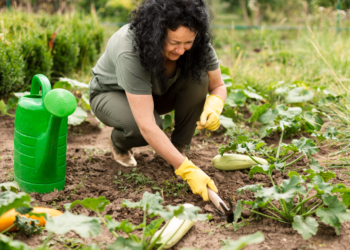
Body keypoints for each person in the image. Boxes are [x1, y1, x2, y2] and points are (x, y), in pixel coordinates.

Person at [89, 0, 227, 201]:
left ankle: (179, 149)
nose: (181, 50)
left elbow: (217, 85)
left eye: (187, 42)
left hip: (156, 94)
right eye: (174, 43)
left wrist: (215, 104)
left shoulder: (196, 43)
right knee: (141, 130)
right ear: (156, 33)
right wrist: (188, 171)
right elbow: (147, 125)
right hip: (111, 94)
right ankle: (119, 144)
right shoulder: (130, 48)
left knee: (199, 76)